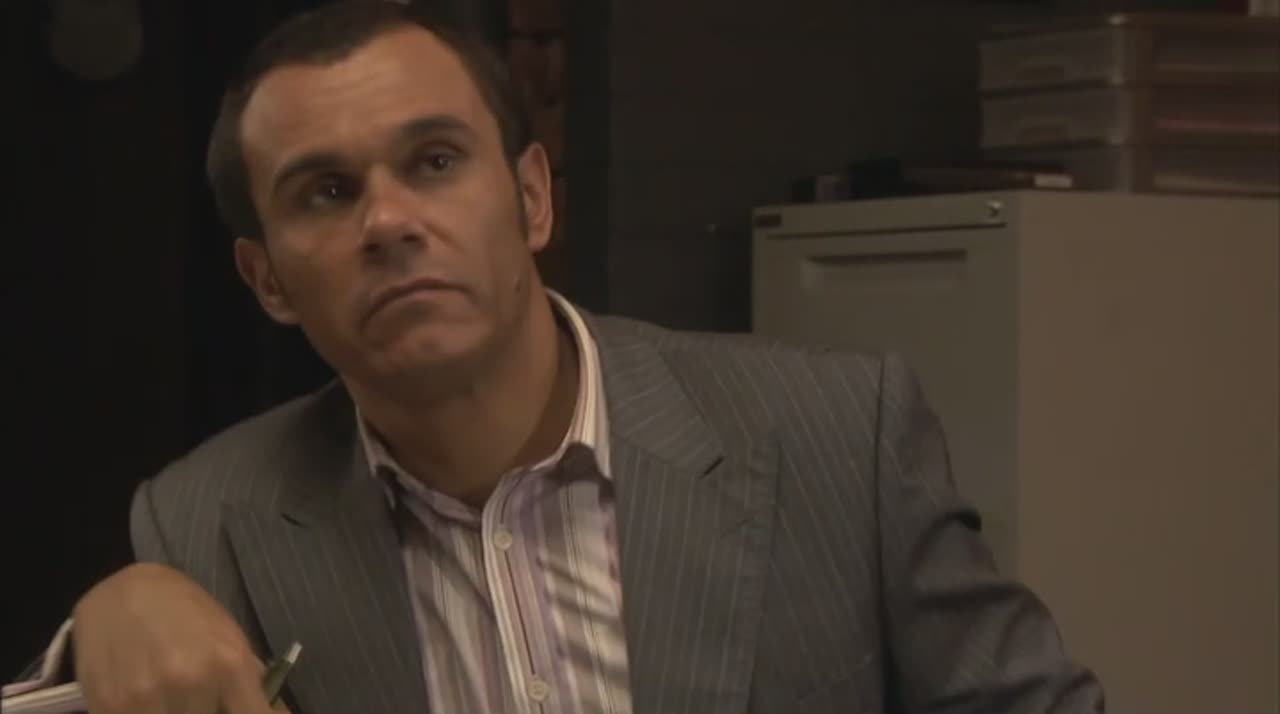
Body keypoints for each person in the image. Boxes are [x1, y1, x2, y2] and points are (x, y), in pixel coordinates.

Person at [6, 2, 1105, 713]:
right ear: (267, 282)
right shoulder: (207, 521)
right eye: (326, 193)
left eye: (434, 161)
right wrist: (95, 633)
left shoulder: (836, 434)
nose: (388, 221)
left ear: (531, 198)